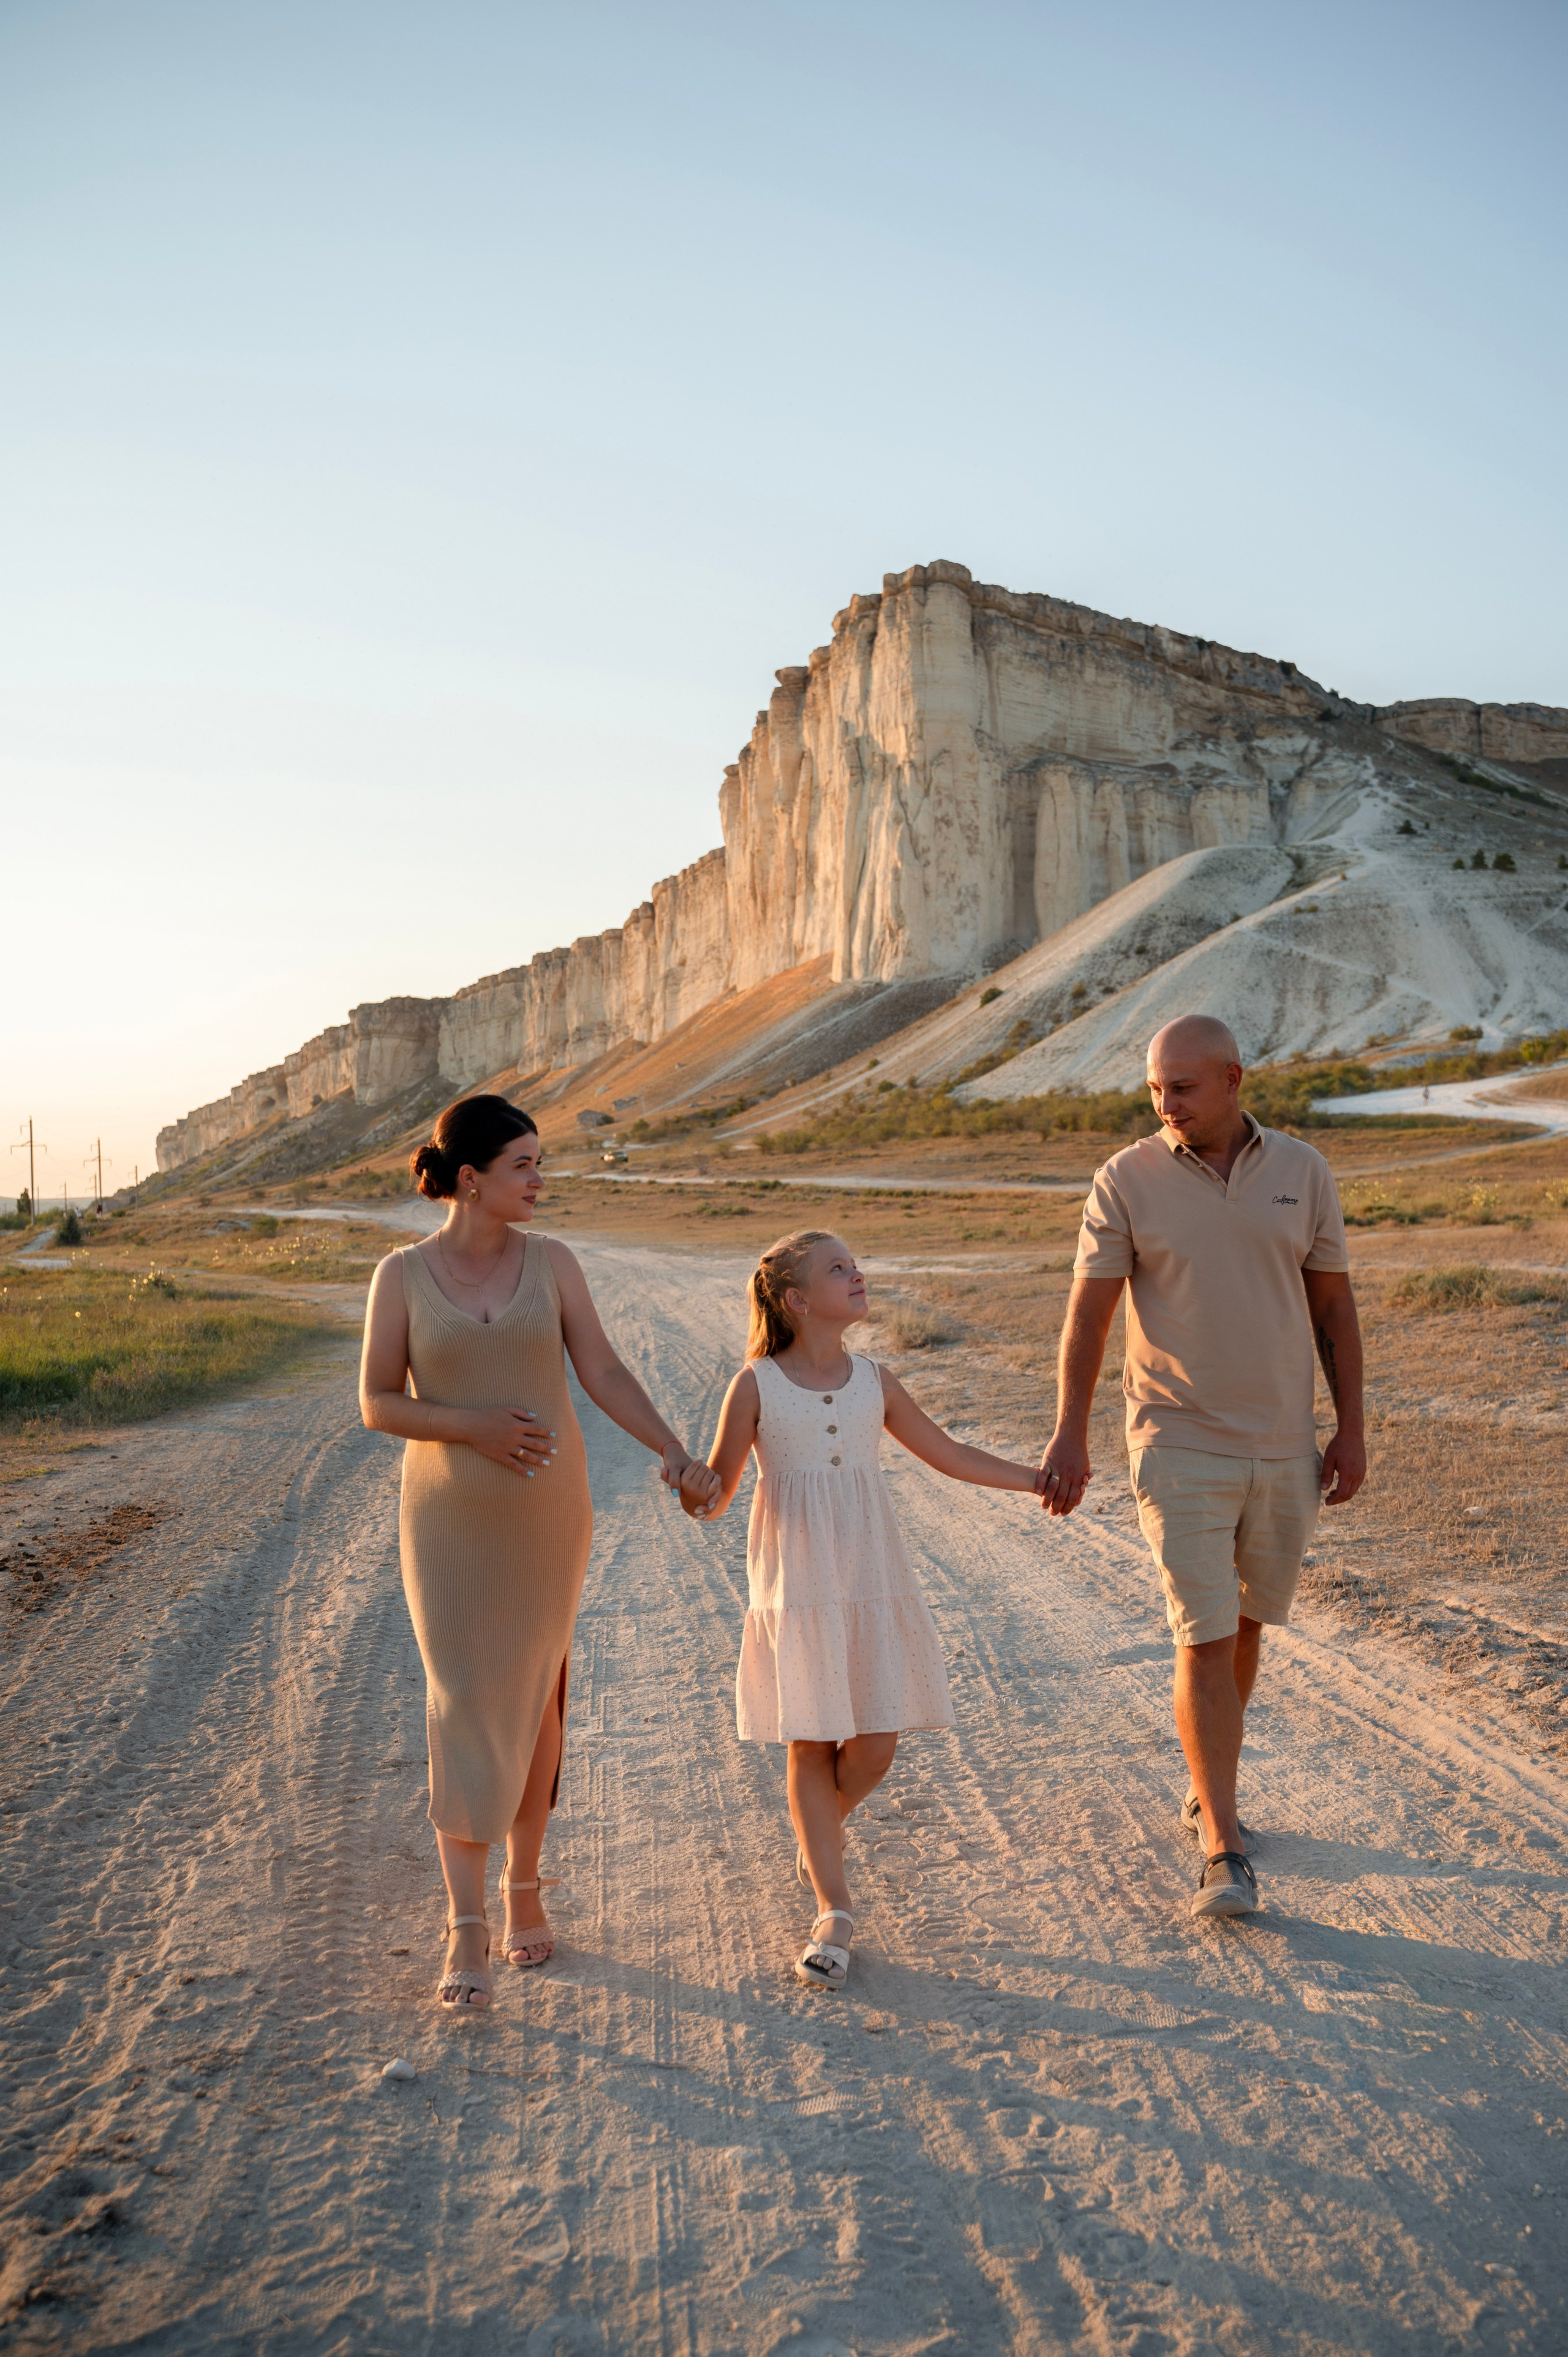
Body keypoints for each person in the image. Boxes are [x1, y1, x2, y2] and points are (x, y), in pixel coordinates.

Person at [360, 1093, 719, 2008]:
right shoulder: (401, 1275)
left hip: (547, 1517)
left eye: (539, 1163)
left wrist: (672, 1450)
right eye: (523, 1164)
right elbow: (378, 1402)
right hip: (447, 1523)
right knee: (461, 1701)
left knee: (537, 1698)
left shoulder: (553, 1262)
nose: (539, 1180)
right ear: (470, 1178)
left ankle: (524, 1887)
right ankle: (466, 1923)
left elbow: (602, 1370)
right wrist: (471, 1425)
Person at [1038, 1016, 1366, 1921]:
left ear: (1232, 1078)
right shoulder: (1125, 1178)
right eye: (1154, 1088)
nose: (1165, 1104)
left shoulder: (1303, 1170)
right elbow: (1088, 1316)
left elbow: (1334, 1308)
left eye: (1181, 1087)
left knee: (1248, 1625)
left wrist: (1350, 1430)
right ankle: (1223, 1845)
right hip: (1174, 1438)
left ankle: (1206, 1778)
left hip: (1284, 1443)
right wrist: (1070, 1433)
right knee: (1205, 1635)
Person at [679, 1230, 1047, 1989]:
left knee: (876, 1743)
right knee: (811, 1744)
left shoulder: (875, 1379)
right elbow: (714, 1496)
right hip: (798, 1585)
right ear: (797, 1299)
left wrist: (1035, 1478)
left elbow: (950, 1454)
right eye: (838, 1268)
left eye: (854, 1264)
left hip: (870, 1577)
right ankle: (833, 1910)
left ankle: (817, 1833)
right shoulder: (755, 1385)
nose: (857, 1274)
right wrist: (692, 1490)